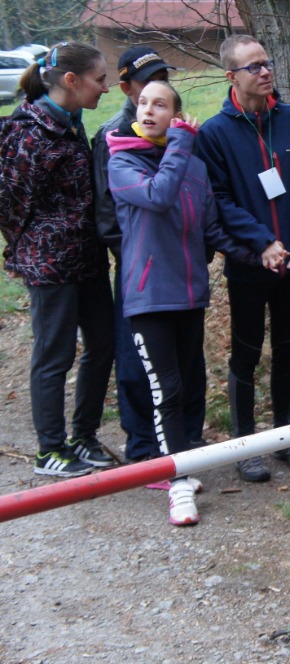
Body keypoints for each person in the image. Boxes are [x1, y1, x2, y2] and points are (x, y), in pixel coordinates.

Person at [107, 81, 272, 525]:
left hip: (188, 295)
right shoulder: (122, 161)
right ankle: (176, 483)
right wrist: (182, 141)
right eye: (143, 103)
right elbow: (159, 195)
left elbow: (212, 232)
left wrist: (258, 256)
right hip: (147, 298)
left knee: (185, 385)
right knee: (166, 390)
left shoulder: (193, 168)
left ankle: (177, 463)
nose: (148, 110)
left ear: (176, 113)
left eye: (160, 104)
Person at [196, 35, 290, 482]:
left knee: (288, 351)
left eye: (267, 62)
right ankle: (245, 445)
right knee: (247, 353)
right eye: (253, 66)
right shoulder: (215, 133)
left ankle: (284, 437)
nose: (265, 70)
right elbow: (218, 198)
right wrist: (260, 242)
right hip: (252, 266)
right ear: (231, 76)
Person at [92, 46, 211, 467]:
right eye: (144, 87)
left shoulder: (184, 144)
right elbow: (110, 215)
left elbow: (202, 214)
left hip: (184, 277)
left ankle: (185, 445)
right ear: (126, 89)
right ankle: (145, 449)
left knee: (186, 368)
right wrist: (142, 258)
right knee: (139, 369)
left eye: (162, 80)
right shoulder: (115, 140)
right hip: (142, 273)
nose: (152, 98)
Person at [0, 41, 115, 477]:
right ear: (71, 81)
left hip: (87, 259)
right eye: (100, 79)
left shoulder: (70, 122)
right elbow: (8, 205)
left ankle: (83, 437)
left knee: (103, 344)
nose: (106, 88)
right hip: (50, 266)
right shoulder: (28, 133)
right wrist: (34, 245)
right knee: (55, 355)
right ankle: (50, 450)